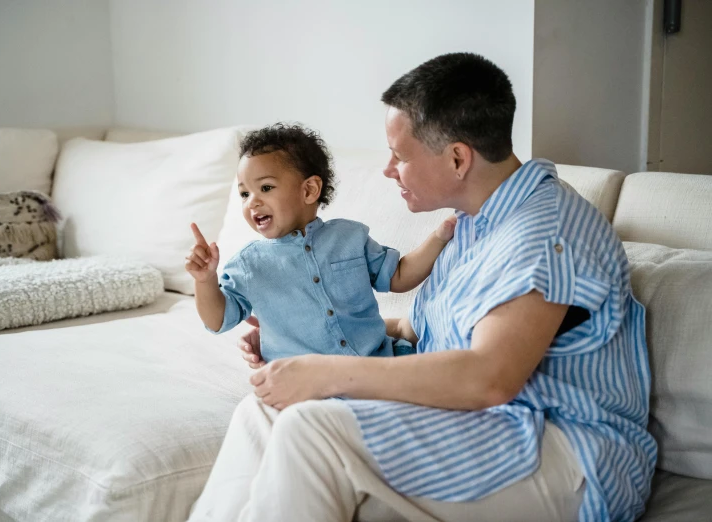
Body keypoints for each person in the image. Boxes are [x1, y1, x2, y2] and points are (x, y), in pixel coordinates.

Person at [189, 53, 657, 522]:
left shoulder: (542, 231)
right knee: (262, 413)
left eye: (399, 155)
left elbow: (488, 377)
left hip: (561, 448)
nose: (389, 170)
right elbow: (421, 328)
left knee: (310, 429)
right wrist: (301, 334)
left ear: (457, 157)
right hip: (476, 421)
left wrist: (323, 370)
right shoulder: (475, 223)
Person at [186, 123, 455, 363]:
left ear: (309, 190)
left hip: (378, 364)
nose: (252, 201)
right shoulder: (248, 264)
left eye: (265, 188)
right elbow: (217, 321)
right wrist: (205, 280)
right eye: (244, 193)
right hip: (306, 385)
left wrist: (439, 237)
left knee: (439, 376)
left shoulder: (350, 237)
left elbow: (398, 276)